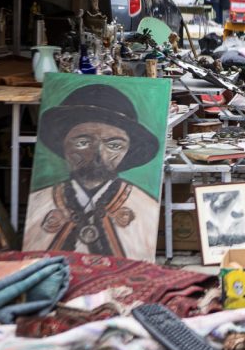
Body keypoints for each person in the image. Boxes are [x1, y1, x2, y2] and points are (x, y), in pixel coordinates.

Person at [24, 84, 160, 261]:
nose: (98, 155)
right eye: (83, 142)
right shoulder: (40, 201)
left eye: (114, 145)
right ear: (62, 144)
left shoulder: (145, 208)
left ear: (127, 151)